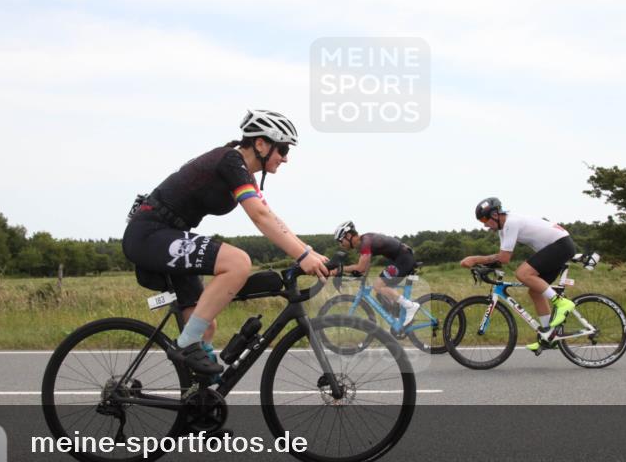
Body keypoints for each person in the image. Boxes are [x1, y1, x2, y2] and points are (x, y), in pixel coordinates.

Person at [122, 110, 330, 376]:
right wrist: (303, 256)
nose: (286, 157)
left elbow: (271, 218)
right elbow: (260, 216)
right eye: (283, 148)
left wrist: (309, 252)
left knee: (206, 326)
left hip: (168, 236)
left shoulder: (241, 171)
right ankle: (185, 346)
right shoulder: (231, 160)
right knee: (237, 262)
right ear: (261, 144)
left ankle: (199, 399)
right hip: (149, 234)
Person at [460, 198, 577, 354]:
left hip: (560, 245)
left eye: (484, 219)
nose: (484, 225)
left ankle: (562, 303)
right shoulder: (503, 229)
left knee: (522, 273)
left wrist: (475, 259)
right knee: (535, 291)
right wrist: (483, 265)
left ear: (495, 215)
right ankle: (549, 335)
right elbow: (502, 257)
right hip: (556, 247)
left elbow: (504, 258)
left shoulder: (511, 223)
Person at [333, 221, 421, 326]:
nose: (340, 244)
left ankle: (410, 306)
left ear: (348, 236)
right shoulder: (365, 241)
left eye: (340, 240)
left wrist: (339, 269)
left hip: (403, 259)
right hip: (401, 258)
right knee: (381, 294)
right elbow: (365, 267)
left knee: (378, 285)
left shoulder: (366, 243)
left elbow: (360, 268)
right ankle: (399, 321)